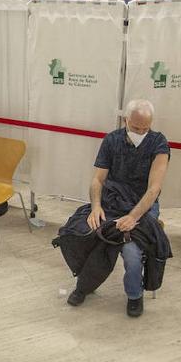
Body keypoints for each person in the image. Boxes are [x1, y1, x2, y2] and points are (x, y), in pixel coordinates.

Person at [66, 99, 170, 318]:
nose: (141, 132)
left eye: (145, 128)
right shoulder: (112, 140)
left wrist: (133, 217)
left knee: (131, 253)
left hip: (142, 205)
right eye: (135, 127)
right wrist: (96, 207)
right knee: (85, 234)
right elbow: (98, 180)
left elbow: (154, 189)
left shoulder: (159, 144)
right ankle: (85, 284)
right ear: (126, 120)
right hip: (112, 201)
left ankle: (134, 295)